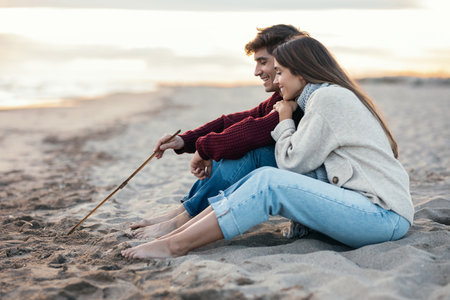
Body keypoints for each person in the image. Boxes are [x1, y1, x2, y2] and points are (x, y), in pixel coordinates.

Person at [121, 35, 414, 259]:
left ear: (301, 72)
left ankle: (175, 244)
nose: (276, 80)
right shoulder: (320, 97)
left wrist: (284, 119)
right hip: (370, 209)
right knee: (257, 177)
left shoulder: (326, 100)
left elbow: (292, 162)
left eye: (281, 72)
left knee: (269, 182)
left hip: (382, 216)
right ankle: (178, 233)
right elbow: (243, 121)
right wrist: (189, 140)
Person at [130, 25, 309, 239]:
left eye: (263, 62)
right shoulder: (283, 97)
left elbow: (251, 132)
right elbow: (234, 121)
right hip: (297, 176)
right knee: (228, 144)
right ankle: (184, 211)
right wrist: (184, 140)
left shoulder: (298, 100)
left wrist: (205, 149)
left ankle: (184, 218)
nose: (256, 71)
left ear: (288, 57)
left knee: (246, 151)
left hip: (313, 187)